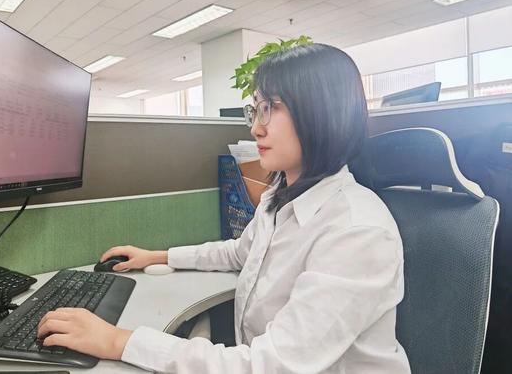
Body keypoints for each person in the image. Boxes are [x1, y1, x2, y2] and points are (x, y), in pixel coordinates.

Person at [38, 43, 411, 373]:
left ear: (321, 113)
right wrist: (159, 256)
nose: (256, 128)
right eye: (256, 110)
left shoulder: (356, 231)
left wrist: (119, 341)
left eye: (270, 108)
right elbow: (239, 253)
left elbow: (271, 365)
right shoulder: (282, 196)